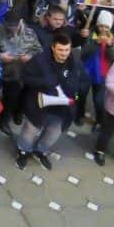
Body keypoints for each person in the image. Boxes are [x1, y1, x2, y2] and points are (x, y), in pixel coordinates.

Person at [16, 33, 83, 171]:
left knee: (54, 132)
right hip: (38, 103)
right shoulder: (39, 60)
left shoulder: (74, 61)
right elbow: (24, 77)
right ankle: (23, 151)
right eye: (60, 50)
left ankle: (40, 151)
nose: (64, 54)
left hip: (60, 107)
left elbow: (82, 80)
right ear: (53, 48)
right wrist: (44, 83)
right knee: (30, 130)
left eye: (67, 50)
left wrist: (73, 92)